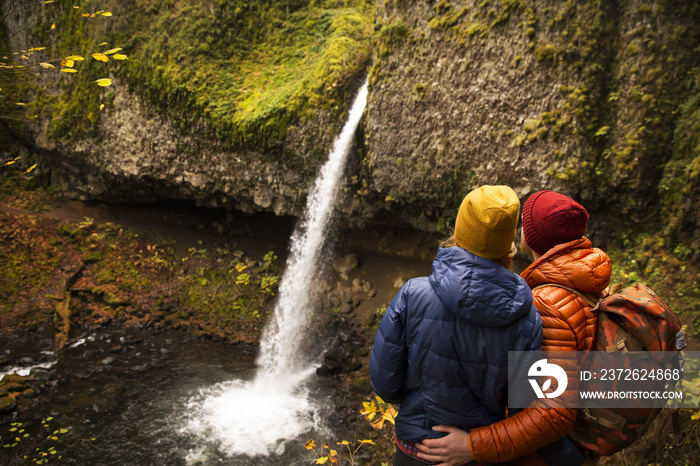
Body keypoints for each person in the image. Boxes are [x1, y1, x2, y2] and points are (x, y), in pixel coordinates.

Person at [416, 190, 612, 466]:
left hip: (536, 457)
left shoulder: (547, 304)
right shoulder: (586, 280)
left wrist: (473, 447)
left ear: (531, 238)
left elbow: (553, 411)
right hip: (570, 444)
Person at [369, 185, 544, 466]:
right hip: (478, 456)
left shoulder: (413, 295)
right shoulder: (528, 319)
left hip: (417, 450)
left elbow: (385, 385)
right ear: (508, 243)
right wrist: (476, 444)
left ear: (460, 230)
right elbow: (524, 409)